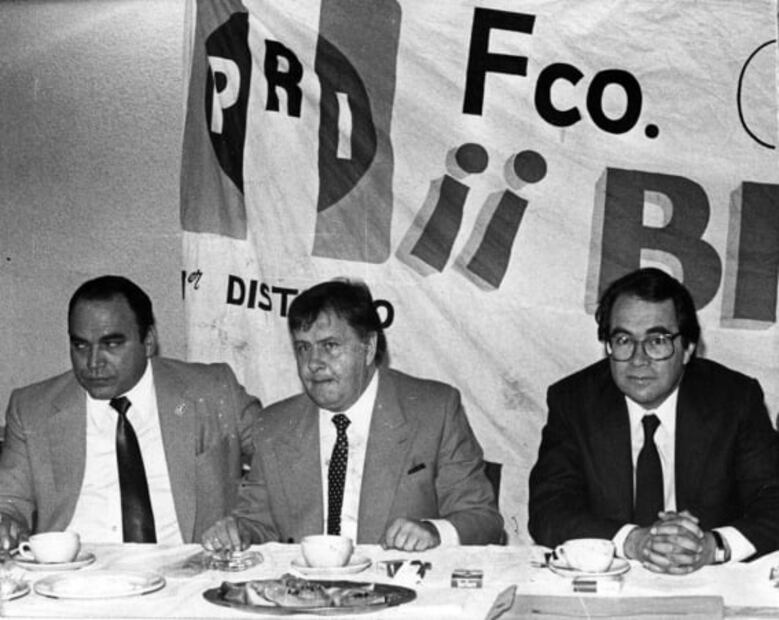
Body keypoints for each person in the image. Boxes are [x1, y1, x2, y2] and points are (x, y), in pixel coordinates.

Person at [202, 279, 503, 552]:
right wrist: (239, 532)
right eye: (303, 348)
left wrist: (434, 532)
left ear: (368, 347)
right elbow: (258, 524)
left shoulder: (434, 410)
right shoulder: (274, 425)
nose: (313, 363)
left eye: (330, 346)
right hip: (304, 589)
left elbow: (482, 519)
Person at [528, 267, 779, 574]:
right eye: (623, 340)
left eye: (657, 340)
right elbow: (549, 509)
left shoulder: (735, 400)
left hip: (709, 580)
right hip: (610, 585)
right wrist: (634, 541)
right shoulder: (574, 401)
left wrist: (712, 546)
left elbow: (773, 500)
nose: (638, 359)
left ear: (688, 349)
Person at [0, 275, 262, 549]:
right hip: (74, 568)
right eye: (81, 345)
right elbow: (8, 502)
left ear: (148, 341)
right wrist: (5, 522)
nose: (93, 362)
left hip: (187, 566)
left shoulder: (212, 390)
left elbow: (278, 457)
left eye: (111, 344)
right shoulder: (33, 409)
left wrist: (247, 521)